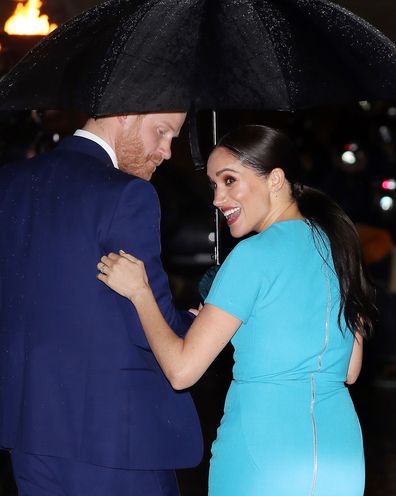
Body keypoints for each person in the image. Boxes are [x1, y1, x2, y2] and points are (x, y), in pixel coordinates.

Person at [98, 124, 377, 496]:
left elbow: (182, 372)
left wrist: (140, 293)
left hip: (264, 448)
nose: (218, 197)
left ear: (275, 179)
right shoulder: (337, 245)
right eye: (214, 184)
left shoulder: (252, 255)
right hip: (339, 449)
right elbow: (349, 369)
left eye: (230, 180)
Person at [0, 111, 203, 496]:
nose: (164, 151)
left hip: (28, 435)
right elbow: (149, 325)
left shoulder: (9, 183)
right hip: (113, 440)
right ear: (123, 114)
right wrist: (196, 323)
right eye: (161, 132)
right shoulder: (127, 193)